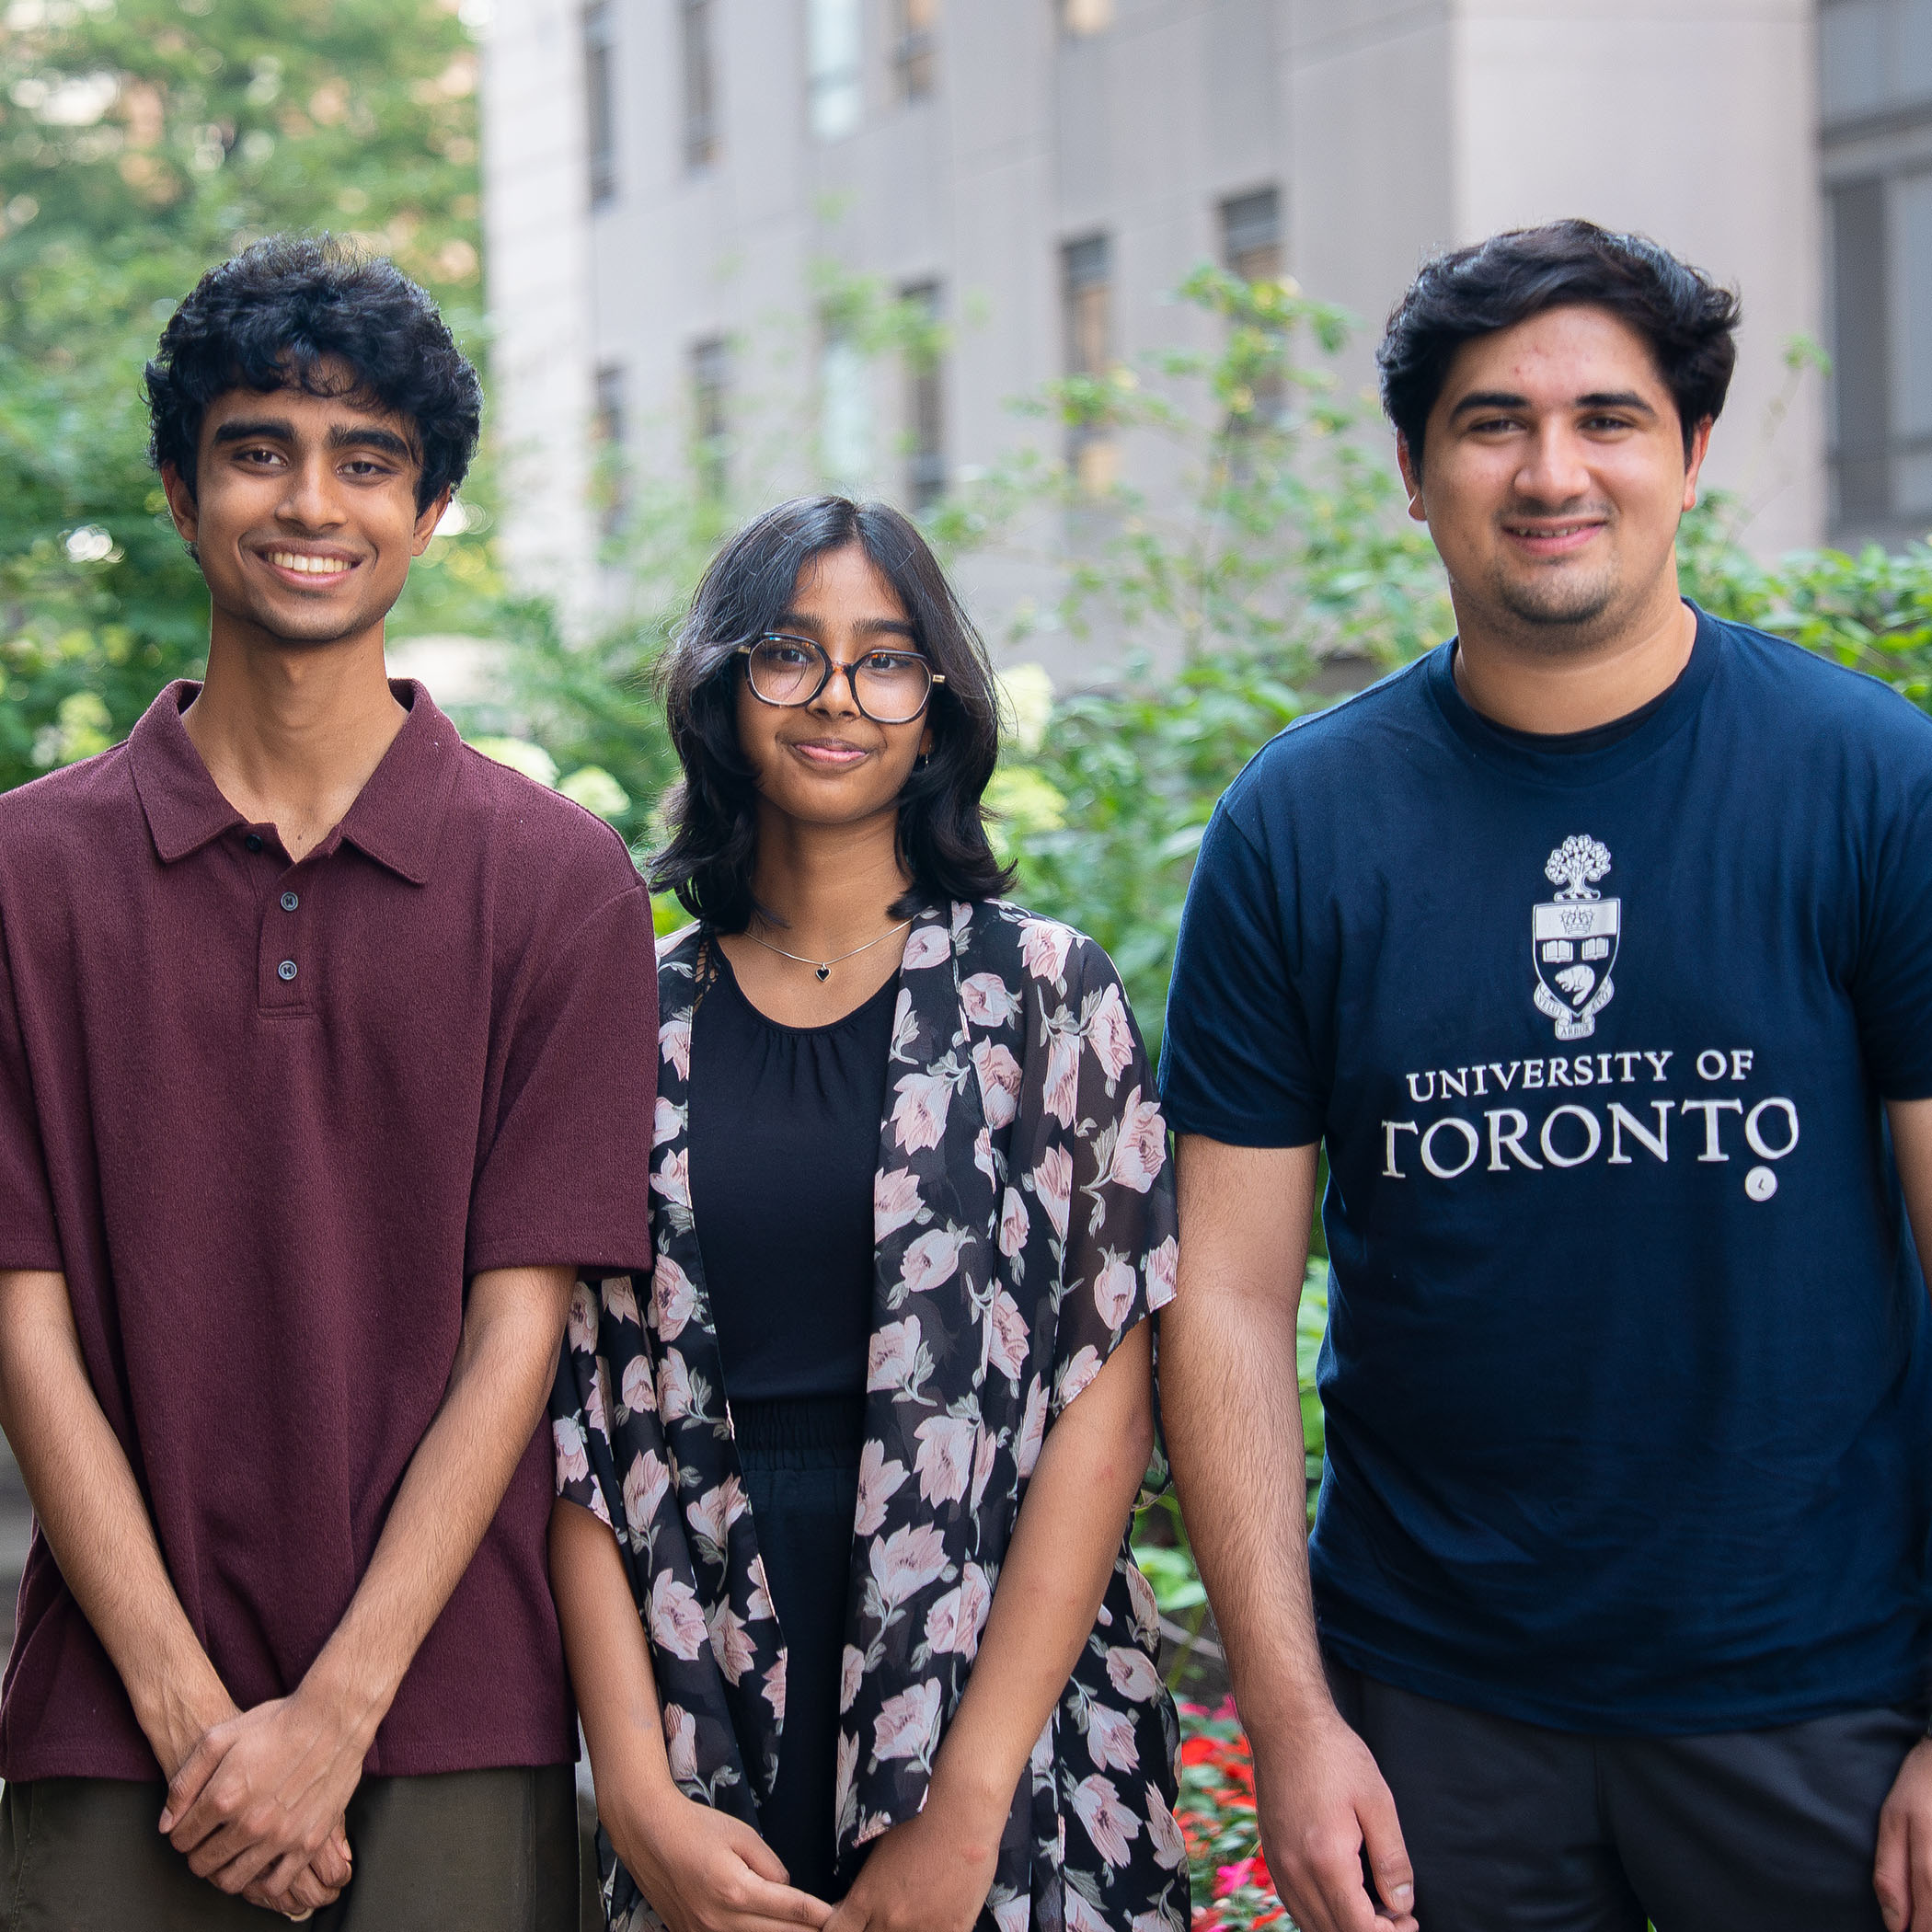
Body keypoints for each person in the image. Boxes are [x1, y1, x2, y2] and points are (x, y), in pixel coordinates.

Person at [1156, 218, 1932, 1932]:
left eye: (1609, 418)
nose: (1550, 469)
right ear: (1416, 475)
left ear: (1694, 455)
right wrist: (1290, 1722)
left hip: (1823, 1701)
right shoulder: (1301, 827)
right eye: (1493, 422)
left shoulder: (1878, 786)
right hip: (1436, 1715)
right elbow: (1220, 1295)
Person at [0, 236, 657, 1926]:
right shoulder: (22, 875)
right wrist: (183, 1707)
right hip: (112, 1719)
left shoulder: (561, 881)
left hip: (449, 1704)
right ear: (178, 486)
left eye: (369, 462)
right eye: (259, 447)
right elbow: (24, 1323)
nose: (314, 502)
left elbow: (524, 1333)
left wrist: (339, 1710)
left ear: (430, 510)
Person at [547, 496, 1189, 1932]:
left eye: (885, 658)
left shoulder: (1044, 995)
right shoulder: (621, 1019)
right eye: (789, 651)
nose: (838, 696)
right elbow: (575, 1420)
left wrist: (965, 1802)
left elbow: (1107, 1395)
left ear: (940, 700)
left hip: (996, 1680)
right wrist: (638, 1794)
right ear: (721, 684)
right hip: (700, 1665)